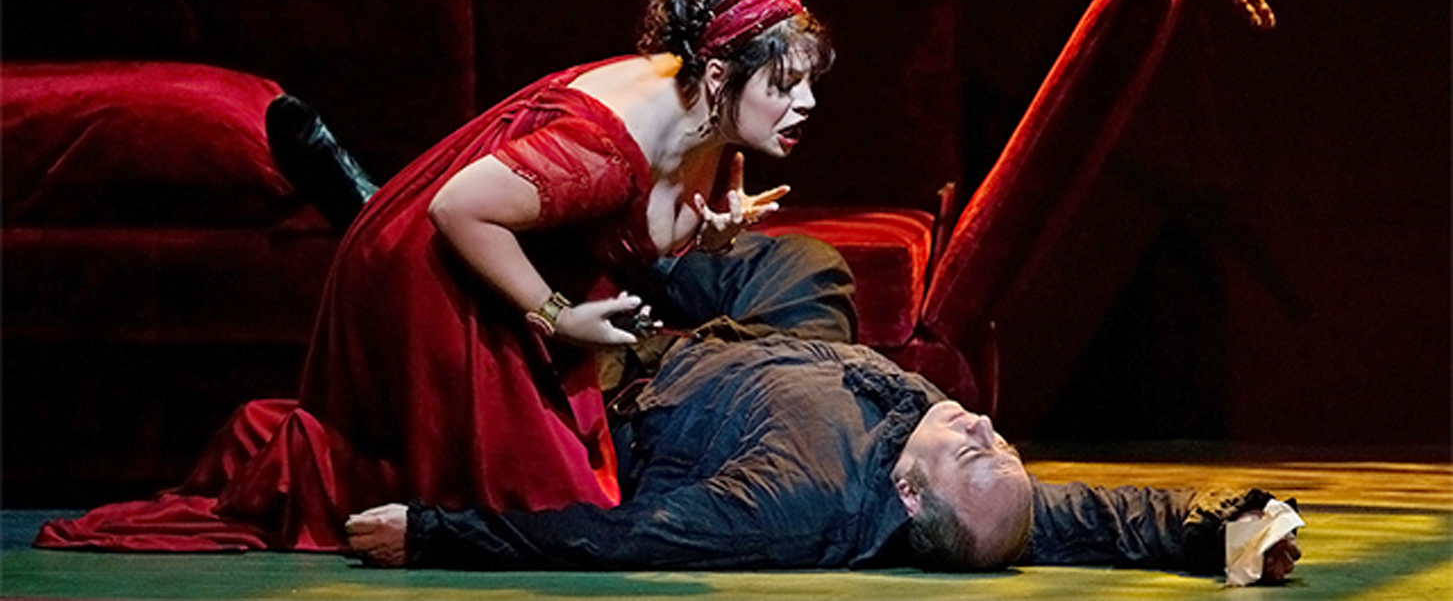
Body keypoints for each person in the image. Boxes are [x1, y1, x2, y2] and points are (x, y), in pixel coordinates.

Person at [35, 0, 847, 553]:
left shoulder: (703, 106)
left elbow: (641, 232)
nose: (805, 102)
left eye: (808, 81)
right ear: (719, 78)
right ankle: (309, 470)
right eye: (784, 85)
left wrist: (710, 229)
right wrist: (556, 316)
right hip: (438, 264)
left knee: (562, 488)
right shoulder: (604, 151)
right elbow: (459, 209)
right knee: (542, 504)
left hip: (512, 242)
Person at [343, 325, 1302, 580]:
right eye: (1000, 446)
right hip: (760, 328)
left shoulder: (791, 503)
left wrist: (434, 533)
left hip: (637, 371)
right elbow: (1116, 516)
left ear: (909, 495)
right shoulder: (968, 481)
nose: (983, 428)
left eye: (977, 455)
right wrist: (1246, 529)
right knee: (811, 264)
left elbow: (616, 539)